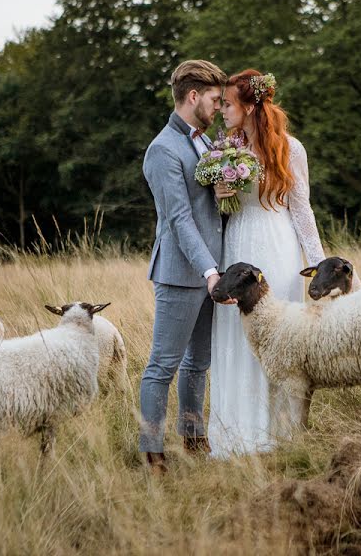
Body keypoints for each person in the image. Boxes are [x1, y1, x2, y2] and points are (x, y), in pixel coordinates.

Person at [209, 69, 327, 458]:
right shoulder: (225, 147)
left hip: (277, 245)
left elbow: (302, 211)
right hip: (236, 244)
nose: (222, 110)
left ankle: (277, 435)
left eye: (227, 103)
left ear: (248, 105)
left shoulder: (291, 149)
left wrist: (320, 264)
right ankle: (235, 435)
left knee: (278, 339)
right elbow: (218, 210)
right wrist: (218, 194)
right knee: (235, 335)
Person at [139, 60, 234, 474]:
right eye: (215, 100)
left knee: (199, 363)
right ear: (193, 97)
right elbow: (178, 220)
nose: (219, 107)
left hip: (211, 270)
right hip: (181, 273)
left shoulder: (204, 142)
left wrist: (224, 193)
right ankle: (151, 453)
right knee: (163, 365)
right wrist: (209, 272)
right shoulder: (162, 150)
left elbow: (206, 207)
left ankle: (194, 440)